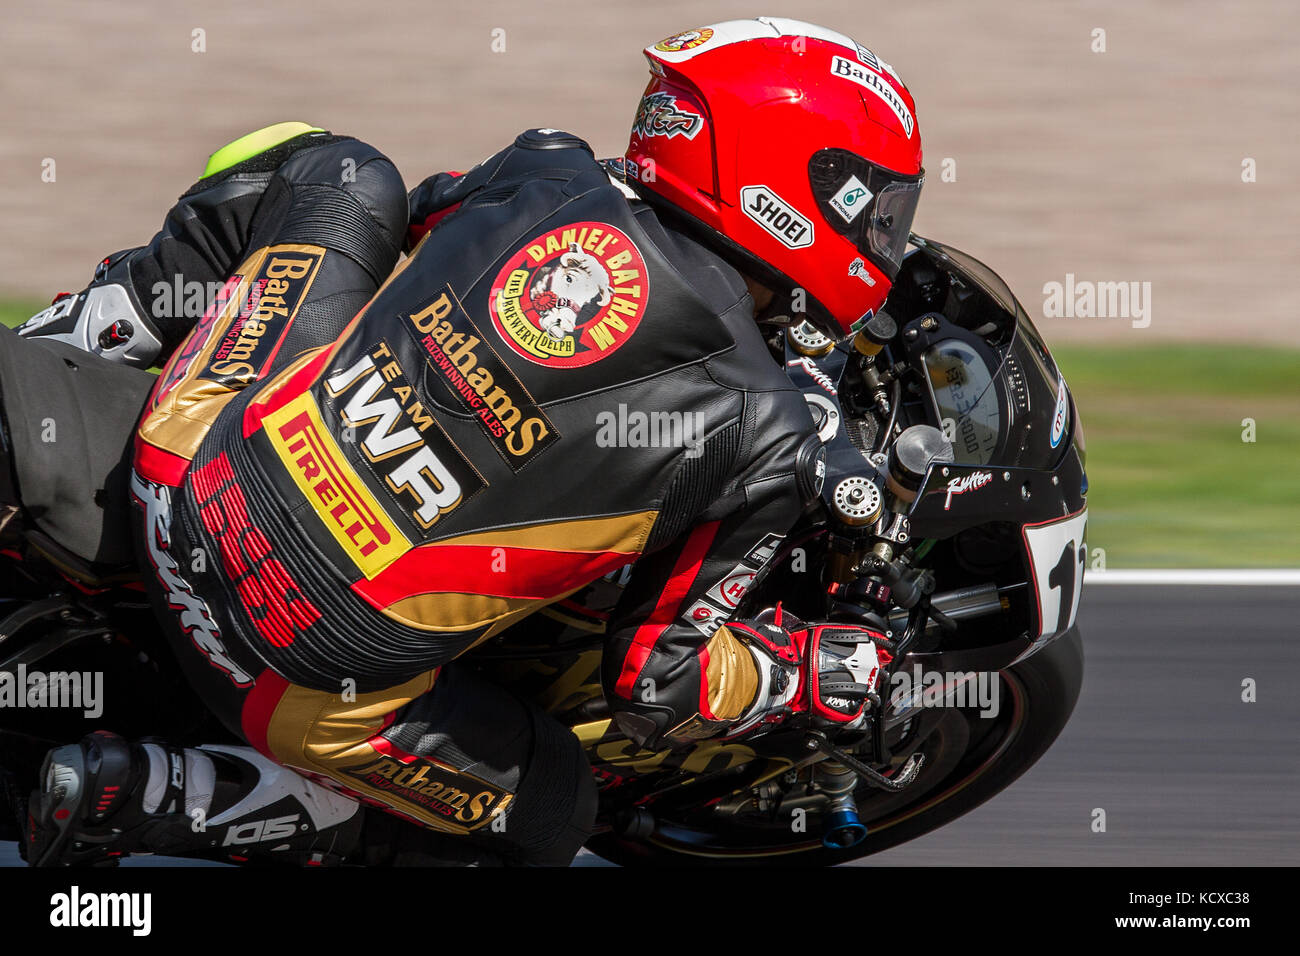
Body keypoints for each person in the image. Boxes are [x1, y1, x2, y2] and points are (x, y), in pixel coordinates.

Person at [18, 17, 925, 866]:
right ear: (791, 195)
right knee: (552, 813)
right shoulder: (770, 433)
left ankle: (81, 336)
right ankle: (153, 795)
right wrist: (809, 673)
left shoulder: (549, 167)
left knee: (336, 174)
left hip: (183, 466)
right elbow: (659, 685)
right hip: (283, 681)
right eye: (878, 213)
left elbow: (413, 230)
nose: (884, 239)